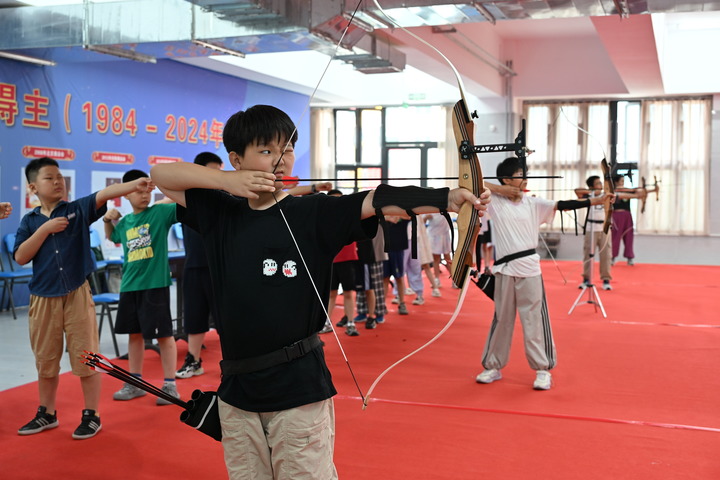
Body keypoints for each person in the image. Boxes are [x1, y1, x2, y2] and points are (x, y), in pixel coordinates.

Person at [150, 104, 489, 480]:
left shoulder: (314, 212)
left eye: (287, 150)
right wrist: (227, 182)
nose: (280, 160)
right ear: (236, 158)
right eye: (266, 150)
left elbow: (374, 199)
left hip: (298, 390)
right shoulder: (220, 211)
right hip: (236, 392)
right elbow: (161, 175)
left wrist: (447, 198)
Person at [14, 157, 153, 440]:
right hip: (42, 298)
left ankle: (92, 415)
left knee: (87, 356)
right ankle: (47, 413)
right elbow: (20, 257)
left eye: (60, 177)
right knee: (46, 359)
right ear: (33, 187)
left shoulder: (76, 210)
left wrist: (132, 185)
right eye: (49, 178)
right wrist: (45, 229)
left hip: (77, 293)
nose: (58, 182)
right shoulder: (29, 222)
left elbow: (103, 194)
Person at [477, 157, 610, 391]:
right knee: (502, 320)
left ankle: (542, 369)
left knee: (534, 320)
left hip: (529, 270)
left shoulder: (533, 203)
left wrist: (597, 200)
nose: (525, 179)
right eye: (519, 175)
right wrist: (502, 190)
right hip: (505, 271)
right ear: (506, 179)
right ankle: (493, 366)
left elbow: (563, 204)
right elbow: (472, 183)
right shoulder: (494, 201)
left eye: (525, 174)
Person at [104, 169, 180, 405]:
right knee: (134, 335)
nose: (144, 195)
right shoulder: (126, 221)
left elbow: (179, 200)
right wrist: (107, 220)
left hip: (155, 286)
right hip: (129, 286)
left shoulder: (160, 213)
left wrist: (163, 189)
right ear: (126, 193)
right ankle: (135, 383)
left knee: (164, 336)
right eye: (138, 191)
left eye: (147, 190)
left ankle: (170, 386)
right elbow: (113, 237)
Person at [176, 152, 224, 379]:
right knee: (194, 318)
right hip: (194, 267)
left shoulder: (225, 197)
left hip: (220, 268)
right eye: (212, 171)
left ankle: (234, 364)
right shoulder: (187, 197)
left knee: (226, 320)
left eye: (219, 171)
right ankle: (193, 361)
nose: (217, 176)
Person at [326, 189, 363, 336]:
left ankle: (350, 323)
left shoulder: (349, 216)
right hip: (330, 260)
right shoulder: (324, 219)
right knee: (331, 293)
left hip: (347, 260)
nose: (336, 203)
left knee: (348, 292)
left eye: (339, 199)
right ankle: (326, 323)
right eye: (333, 199)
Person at [575, 175, 613, 290]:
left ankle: (606, 279)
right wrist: (592, 191)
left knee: (606, 255)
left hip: (604, 228)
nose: (600, 185)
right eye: (597, 183)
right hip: (591, 228)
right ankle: (586, 279)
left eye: (601, 183)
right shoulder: (588, 196)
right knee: (588, 254)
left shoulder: (605, 195)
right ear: (591, 186)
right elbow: (577, 191)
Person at [353, 225, 388, 329]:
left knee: (376, 285)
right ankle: (362, 311)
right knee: (361, 285)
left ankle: (379, 313)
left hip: (375, 253)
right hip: (359, 253)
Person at [611, 175, 647, 266]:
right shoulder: (612, 191)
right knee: (615, 237)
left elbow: (640, 193)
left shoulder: (628, 190)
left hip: (627, 216)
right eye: (621, 181)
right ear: (616, 182)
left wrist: (644, 189)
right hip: (616, 215)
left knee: (629, 236)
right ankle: (612, 257)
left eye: (623, 181)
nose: (622, 182)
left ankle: (629, 257)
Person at [384, 216, 410, 315]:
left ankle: (402, 303)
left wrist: (396, 216)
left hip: (398, 248)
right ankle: (382, 305)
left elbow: (410, 216)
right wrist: (387, 218)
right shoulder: (383, 213)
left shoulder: (402, 214)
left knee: (399, 277)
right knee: (385, 278)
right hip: (385, 249)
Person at [425, 212, 453, 287]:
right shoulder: (429, 209)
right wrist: (426, 217)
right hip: (434, 235)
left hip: (444, 234)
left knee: (448, 258)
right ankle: (437, 279)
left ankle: (455, 279)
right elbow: (422, 220)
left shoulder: (444, 208)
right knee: (436, 259)